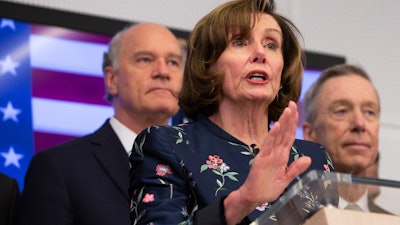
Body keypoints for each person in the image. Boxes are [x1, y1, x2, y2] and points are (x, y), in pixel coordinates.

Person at [129, 1, 334, 224]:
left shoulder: (314, 158)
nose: (260, 53)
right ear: (208, 65)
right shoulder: (169, 145)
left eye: (271, 45)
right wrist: (243, 201)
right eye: (239, 42)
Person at [16, 22, 184, 225]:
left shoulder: (201, 169)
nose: (163, 71)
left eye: (173, 62)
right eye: (145, 59)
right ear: (112, 79)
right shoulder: (58, 168)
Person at [302, 64, 390, 213]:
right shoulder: (288, 221)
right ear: (310, 134)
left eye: (369, 112)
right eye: (341, 111)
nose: (360, 124)